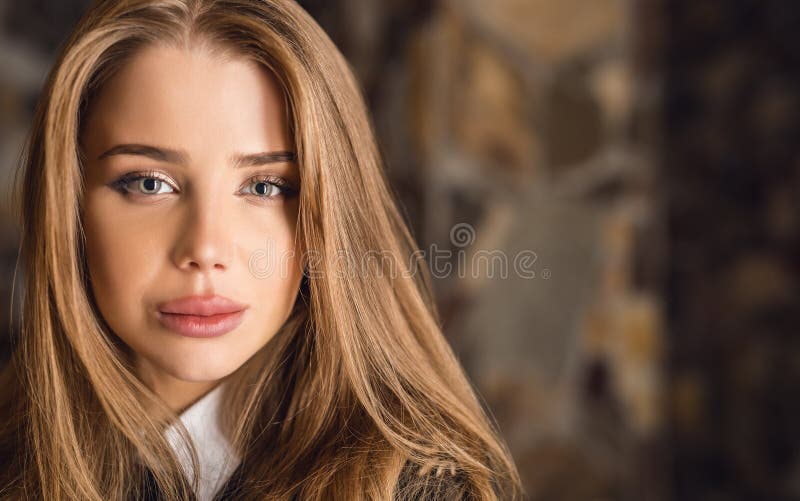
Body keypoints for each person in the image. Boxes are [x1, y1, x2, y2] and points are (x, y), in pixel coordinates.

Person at [0, 0, 524, 499]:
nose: (204, 248)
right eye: (149, 183)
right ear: (68, 205)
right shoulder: (13, 457)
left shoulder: (416, 492)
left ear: (328, 215)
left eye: (266, 187)